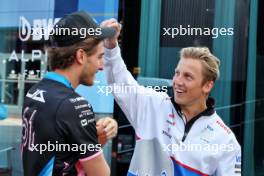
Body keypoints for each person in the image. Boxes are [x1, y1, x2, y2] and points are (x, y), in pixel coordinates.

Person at [101, 19, 241, 175]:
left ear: (208, 85)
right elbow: (119, 82)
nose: (178, 82)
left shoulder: (225, 140)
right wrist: (110, 47)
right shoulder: (152, 105)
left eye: (188, 76)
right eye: (177, 73)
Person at [21, 11, 118, 176]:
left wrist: (94, 137)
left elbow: (64, 154)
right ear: (81, 56)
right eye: (100, 57)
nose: (101, 66)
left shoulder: (35, 91)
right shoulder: (75, 106)